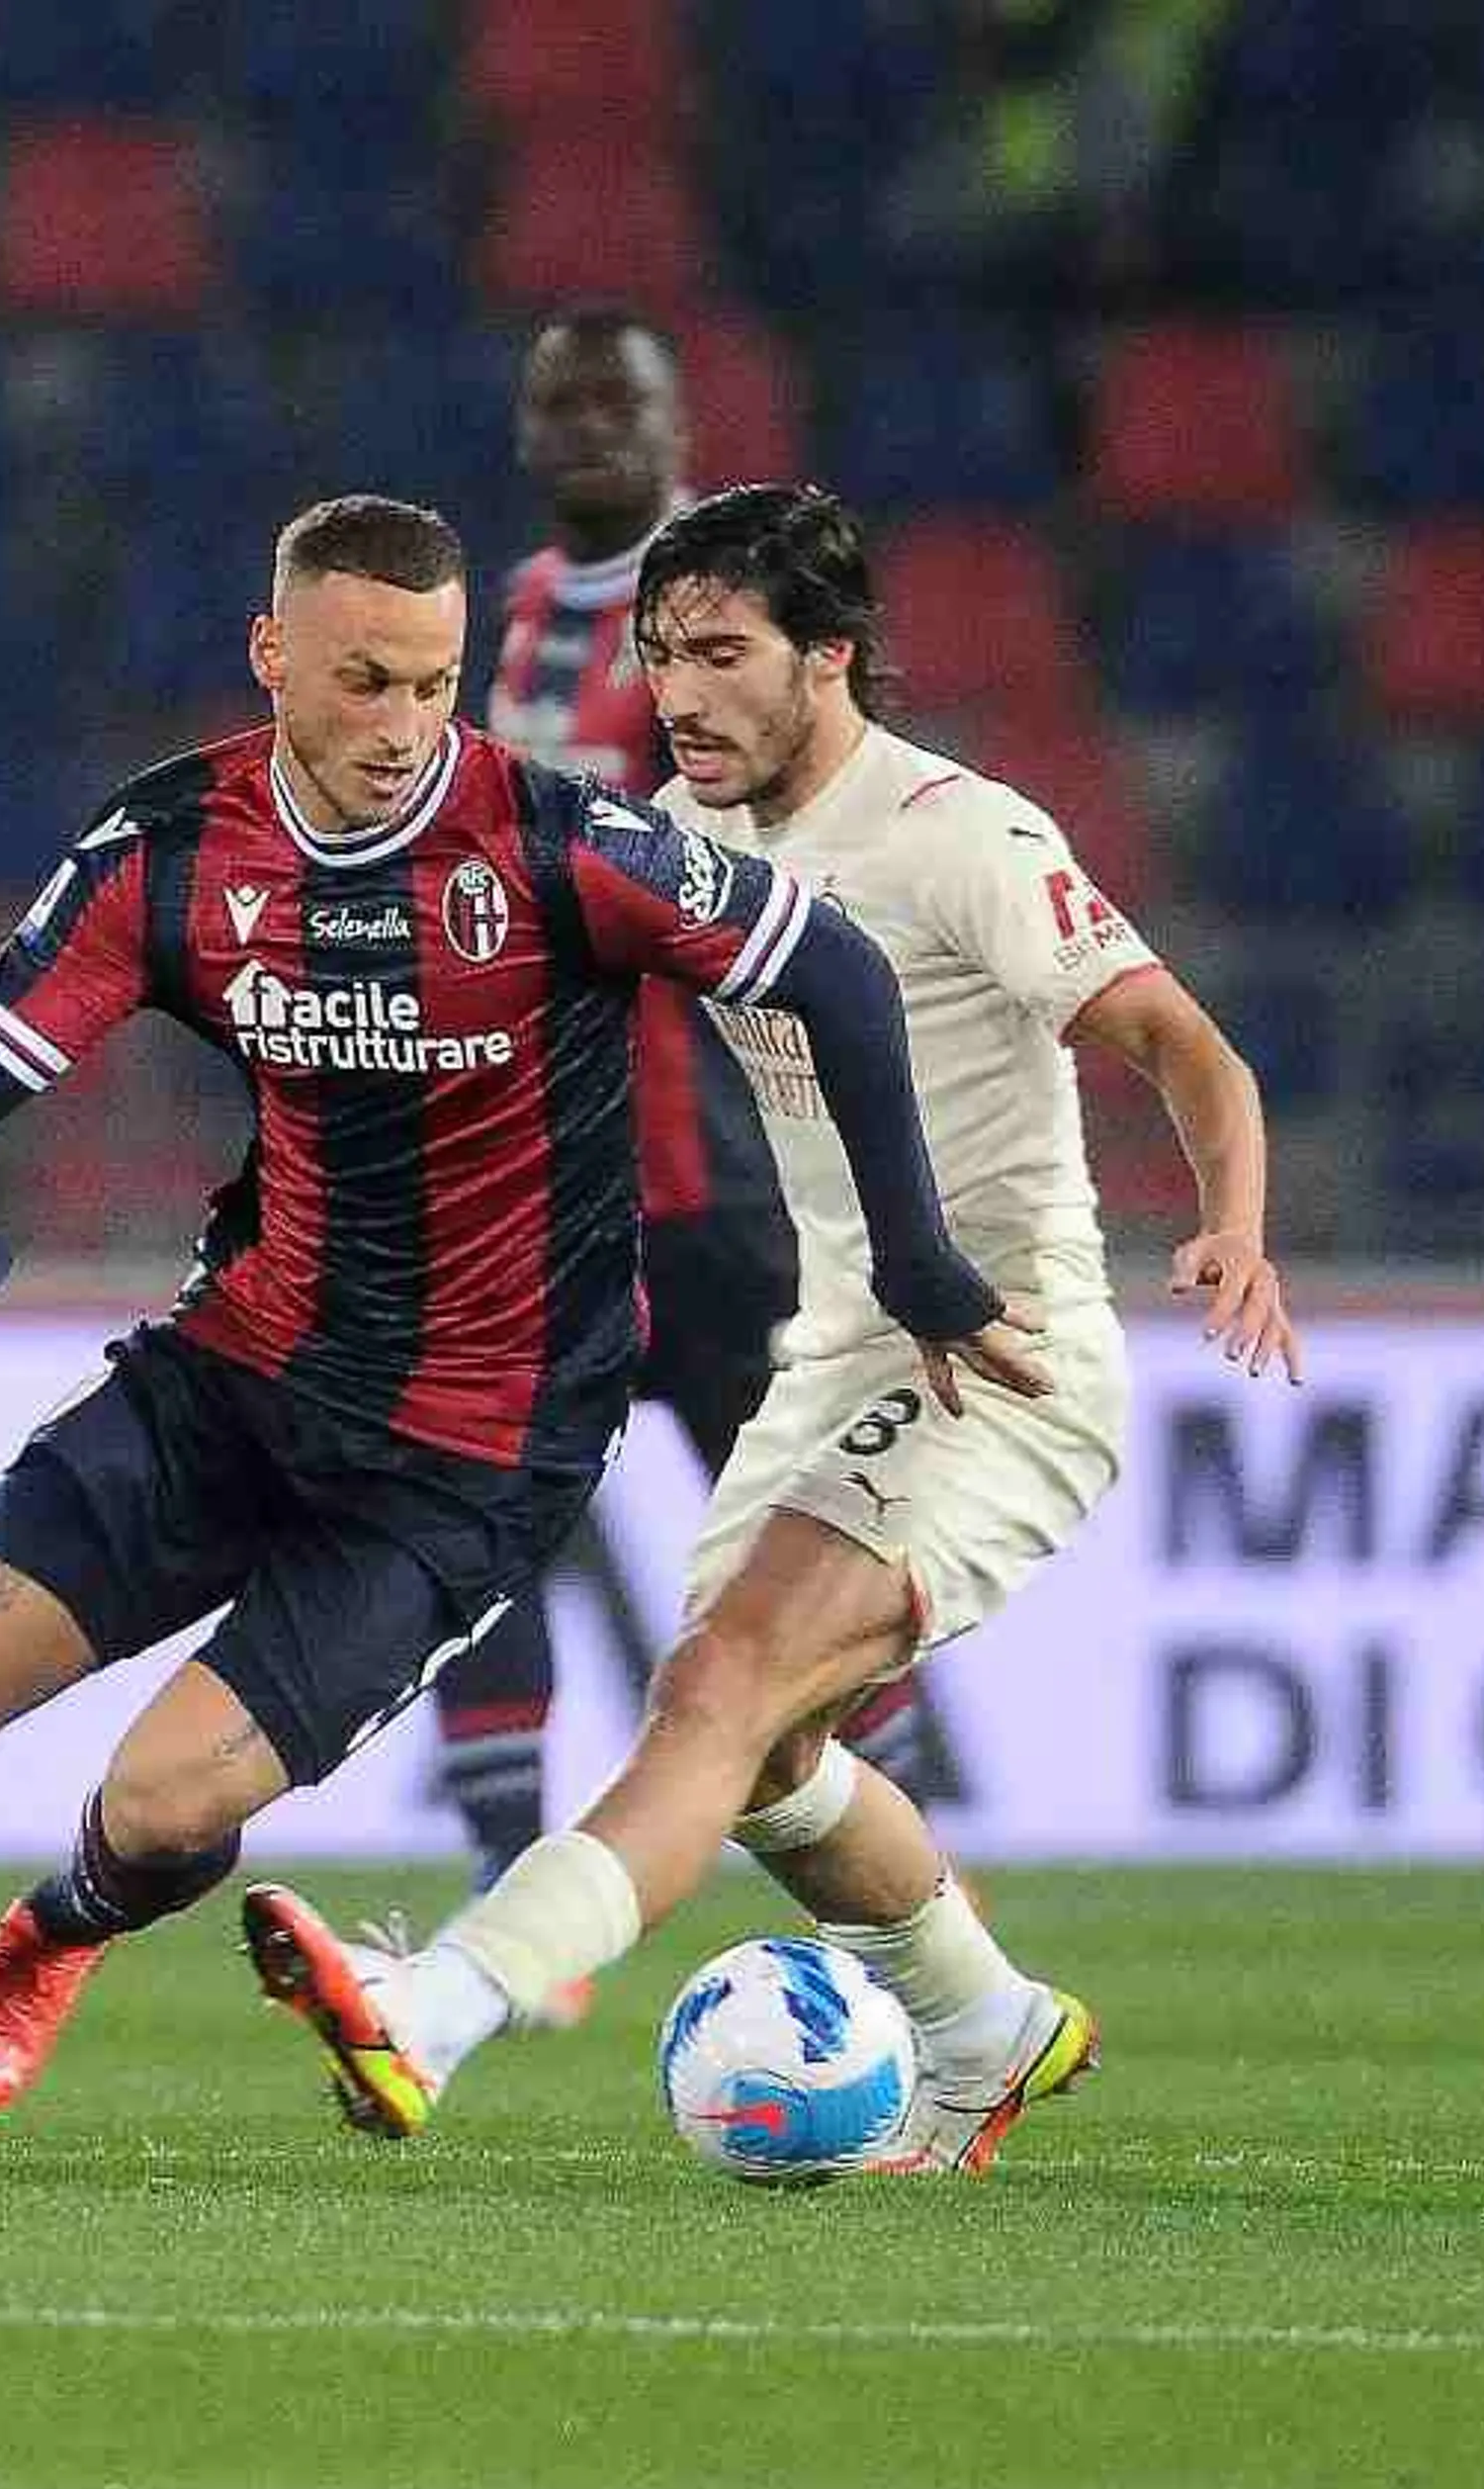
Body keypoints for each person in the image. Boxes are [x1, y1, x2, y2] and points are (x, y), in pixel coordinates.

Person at [0, 493, 1038, 2172]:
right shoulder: (172, 851)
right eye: (364, 682)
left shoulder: (563, 847)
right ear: (274, 657)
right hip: (238, 1372)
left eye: (435, 686)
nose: (405, 730)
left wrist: (921, 1261)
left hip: (465, 1456)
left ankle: (56, 1928)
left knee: (161, 1809)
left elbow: (842, 975)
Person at [244, 484, 1302, 2175]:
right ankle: (987, 2021)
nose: (681, 693)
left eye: (724, 654)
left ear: (833, 659)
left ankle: (431, 2009)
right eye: (662, 656)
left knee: (723, 1688)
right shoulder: (686, 839)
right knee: (760, 1745)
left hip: (1000, 1360)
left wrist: (1232, 1228)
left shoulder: (965, 835)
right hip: (839, 1358)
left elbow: (1192, 1050)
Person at [444, 306, 960, 1907]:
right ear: (528, 435)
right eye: (562, 401)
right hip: (538, 1190)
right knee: (474, 1515)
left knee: (814, 1570)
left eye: (623, 400)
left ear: (682, 433)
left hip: (720, 1182)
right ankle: (505, 1901)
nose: (591, 424)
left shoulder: (738, 619)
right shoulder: (517, 615)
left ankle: (915, 1895)